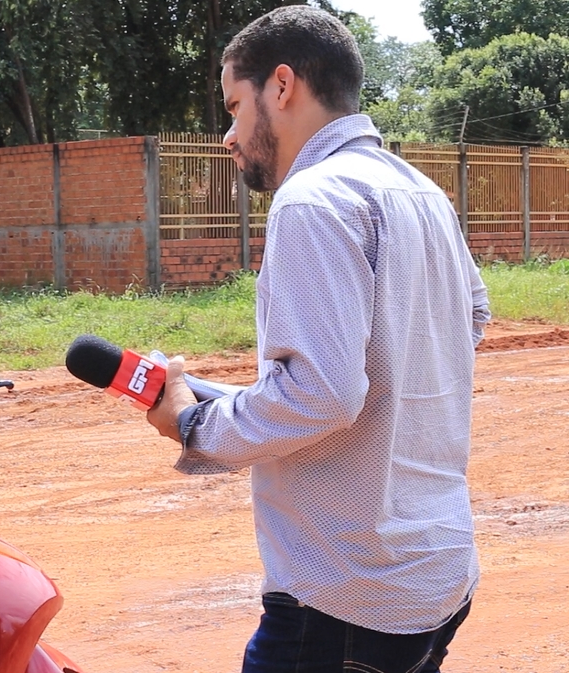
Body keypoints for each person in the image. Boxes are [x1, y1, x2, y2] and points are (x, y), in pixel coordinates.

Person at [145, 6, 490, 672]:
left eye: (235, 105)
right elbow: (466, 320)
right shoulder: (419, 191)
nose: (228, 134)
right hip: (437, 572)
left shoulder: (313, 199)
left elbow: (323, 394)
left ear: (282, 86)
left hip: (346, 597)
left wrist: (194, 423)